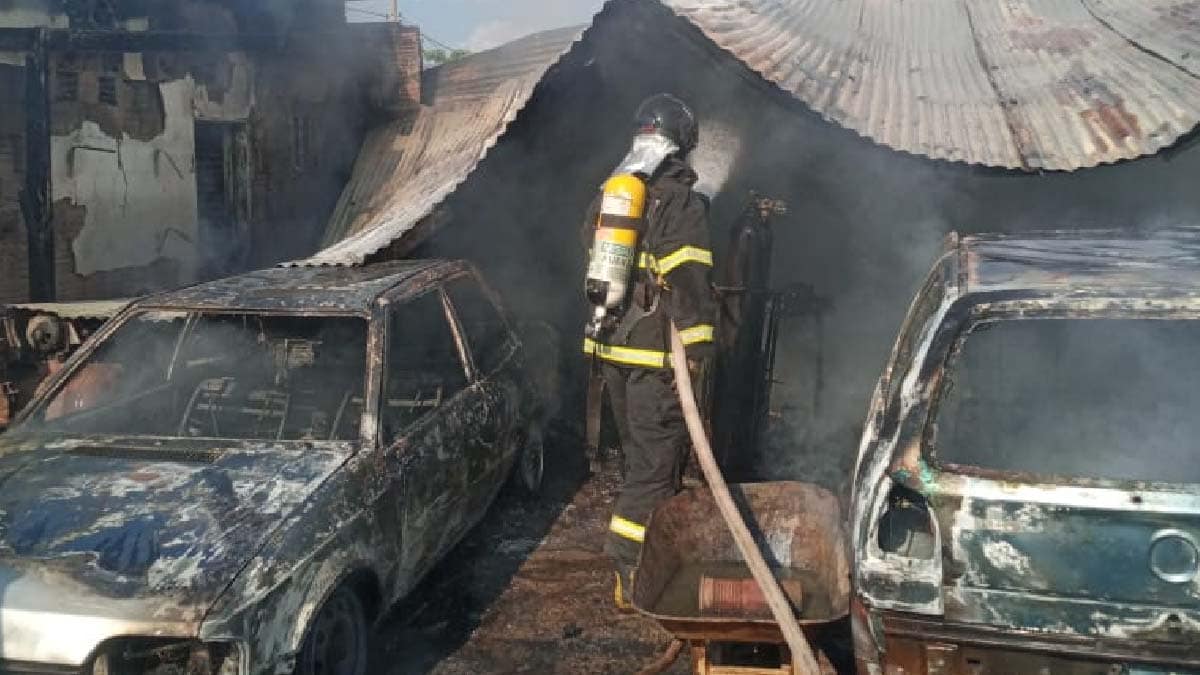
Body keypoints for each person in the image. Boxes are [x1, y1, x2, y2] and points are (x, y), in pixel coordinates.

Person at [582, 93, 717, 608]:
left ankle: (634, 560)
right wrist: (701, 343)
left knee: (639, 460)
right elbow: (687, 274)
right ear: (682, 142)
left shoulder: (611, 193)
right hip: (654, 355)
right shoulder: (678, 198)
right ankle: (632, 573)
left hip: (612, 348)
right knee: (655, 470)